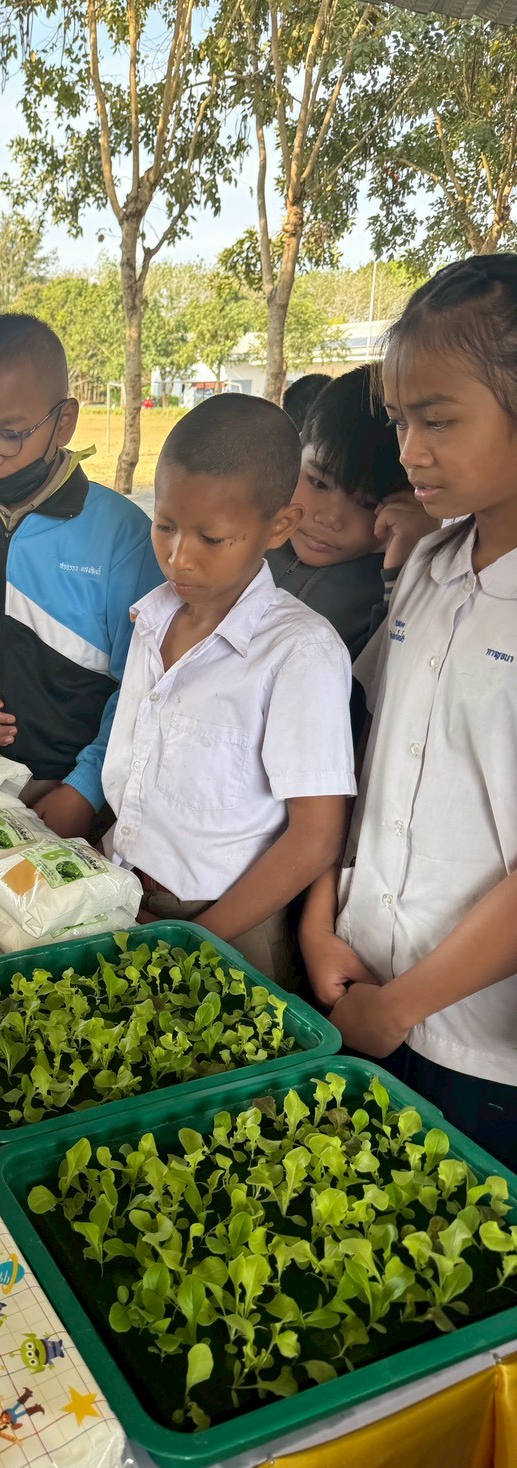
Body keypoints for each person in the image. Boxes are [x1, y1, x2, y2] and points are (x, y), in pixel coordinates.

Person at [300, 254, 517, 1169]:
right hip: (363, 983)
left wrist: (404, 1003)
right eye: (399, 421)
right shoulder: (427, 569)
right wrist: (322, 920)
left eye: (437, 419)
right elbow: (369, 759)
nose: (408, 452)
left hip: (480, 1052)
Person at [102, 394, 356, 983]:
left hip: (233, 926)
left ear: (279, 526)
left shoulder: (300, 652)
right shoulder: (154, 619)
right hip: (129, 894)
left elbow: (316, 837)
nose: (178, 557)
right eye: (164, 526)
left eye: (212, 539)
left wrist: (198, 943)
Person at [0, 314, 161, 839]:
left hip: (79, 800)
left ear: (64, 422)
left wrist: (85, 790)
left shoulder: (124, 539)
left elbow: (147, 689)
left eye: (9, 436)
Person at [268, 364, 436, 658]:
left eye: (367, 504)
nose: (329, 519)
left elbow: (380, 688)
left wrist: (401, 572)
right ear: (294, 452)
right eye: (318, 483)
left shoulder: (393, 597)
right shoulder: (245, 536)